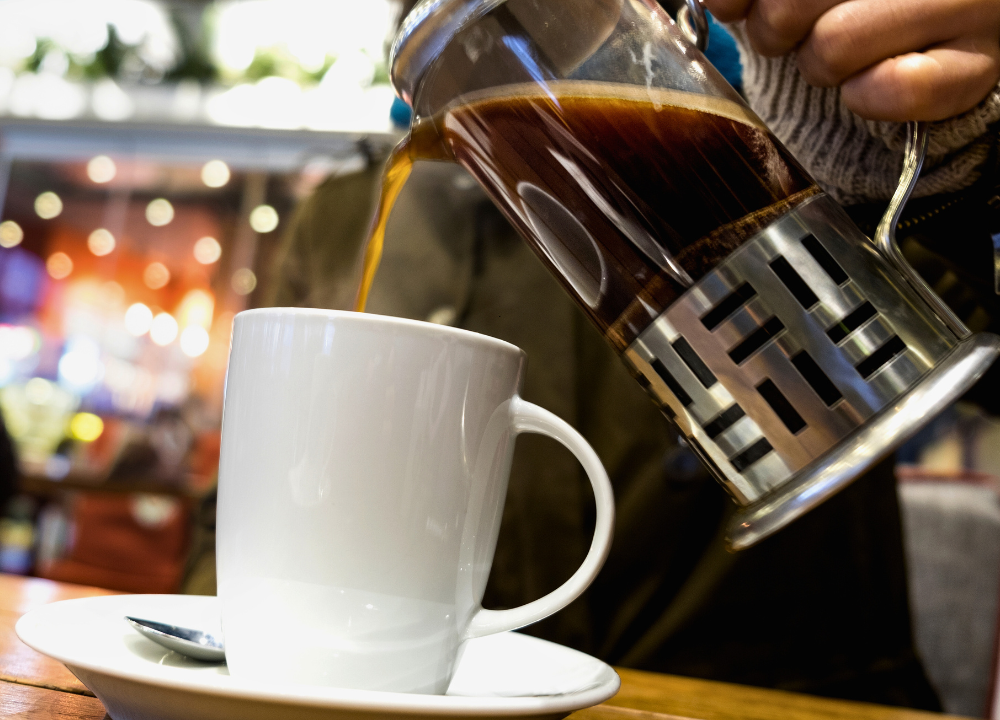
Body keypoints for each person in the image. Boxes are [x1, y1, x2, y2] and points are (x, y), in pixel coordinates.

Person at [263, 0, 1000, 708]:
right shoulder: (343, 219)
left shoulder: (773, 130)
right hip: (452, 699)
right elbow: (264, 495)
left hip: (783, 697)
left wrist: (958, 158)